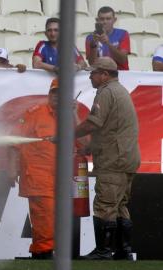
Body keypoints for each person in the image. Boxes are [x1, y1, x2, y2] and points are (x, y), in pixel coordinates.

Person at [75, 57, 140, 260]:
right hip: (126, 158)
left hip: (113, 160)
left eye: (93, 72)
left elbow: (93, 124)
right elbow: (110, 129)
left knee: (105, 204)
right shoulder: (119, 91)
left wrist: (67, 134)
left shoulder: (105, 92)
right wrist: (88, 147)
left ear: (104, 74)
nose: (90, 76)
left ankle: (103, 251)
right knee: (120, 204)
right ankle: (123, 250)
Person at [8, 78, 60, 260]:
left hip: (61, 176)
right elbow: (14, 141)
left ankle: (42, 250)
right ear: (49, 94)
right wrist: (12, 169)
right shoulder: (34, 114)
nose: (57, 96)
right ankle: (43, 251)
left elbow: (84, 144)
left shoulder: (71, 116)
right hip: (37, 174)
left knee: (51, 215)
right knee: (43, 214)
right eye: (54, 92)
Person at [85, 6, 130, 70]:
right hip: (100, 75)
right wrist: (94, 45)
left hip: (120, 74)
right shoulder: (90, 38)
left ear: (114, 20)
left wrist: (108, 43)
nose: (105, 22)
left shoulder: (123, 34)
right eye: (102, 19)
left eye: (108, 19)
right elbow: (92, 63)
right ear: (97, 20)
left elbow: (123, 60)